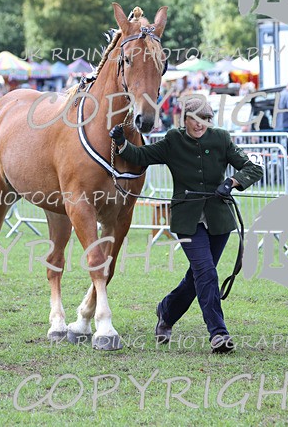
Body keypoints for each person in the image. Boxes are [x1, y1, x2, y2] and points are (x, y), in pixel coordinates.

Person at [109, 97, 263, 353]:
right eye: (195, 119)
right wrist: (121, 143)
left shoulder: (222, 139)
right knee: (206, 272)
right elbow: (141, 156)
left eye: (206, 119)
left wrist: (232, 182)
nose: (200, 125)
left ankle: (166, 311)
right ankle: (218, 333)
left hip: (219, 221)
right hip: (187, 221)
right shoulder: (173, 140)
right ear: (185, 119)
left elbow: (253, 168)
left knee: (198, 276)